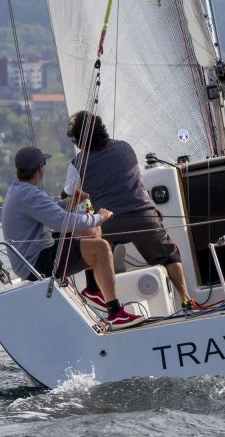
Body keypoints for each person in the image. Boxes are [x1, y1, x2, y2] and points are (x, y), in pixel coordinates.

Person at [64, 111, 196, 311]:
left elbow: (69, 195)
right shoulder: (125, 147)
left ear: (77, 139)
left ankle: (104, 299)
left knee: (95, 249)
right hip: (143, 217)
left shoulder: (77, 163)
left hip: (109, 223)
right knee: (169, 256)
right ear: (101, 129)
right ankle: (186, 300)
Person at [1, 146, 145, 329]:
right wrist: (99, 217)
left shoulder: (18, 190)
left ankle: (93, 289)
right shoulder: (30, 193)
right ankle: (115, 313)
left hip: (32, 257)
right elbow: (62, 222)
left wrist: (70, 202)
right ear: (40, 168)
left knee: (92, 235)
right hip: (36, 263)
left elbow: (47, 210)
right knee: (100, 248)